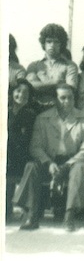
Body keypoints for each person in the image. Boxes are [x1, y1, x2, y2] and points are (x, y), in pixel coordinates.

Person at [13, 84, 84, 231]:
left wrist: (68, 164)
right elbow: (35, 147)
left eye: (70, 98)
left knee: (79, 168)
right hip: (49, 160)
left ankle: (69, 217)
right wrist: (49, 163)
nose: (67, 101)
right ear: (55, 100)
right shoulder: (42, 118)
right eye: (62, 98)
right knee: (31, 166)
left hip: (72, 161)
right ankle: (32, 216)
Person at [26, 24, 79, 109]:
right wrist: (57, 82)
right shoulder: (34, 66)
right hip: (36, 110)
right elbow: (29, 87)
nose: (52, 45)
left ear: (61, 44)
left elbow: (70, 90)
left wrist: (40, 86)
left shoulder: (70, 65)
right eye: (49, 41)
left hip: (59, 110)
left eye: (56, 41)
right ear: (43, 43)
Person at [6, 79, 36, 220]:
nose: (21, 95)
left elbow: (29, 141)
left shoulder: (31, 115)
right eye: (18, 91)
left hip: (22, 159)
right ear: (12, 92)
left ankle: (22, 206)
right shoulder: (4, 111)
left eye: (26, 92)